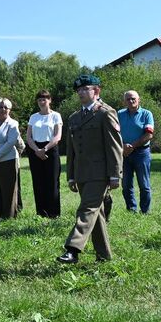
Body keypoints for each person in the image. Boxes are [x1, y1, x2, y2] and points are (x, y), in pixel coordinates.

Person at [57, 74, 123, 264]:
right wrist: (71, 176)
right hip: (82, 173)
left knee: (87, 209)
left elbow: (114, 146)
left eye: (86, 89)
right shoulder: (74, 117)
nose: (81, 93)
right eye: (79, 90)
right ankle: (104, 256)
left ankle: (72, 249)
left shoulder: (106, 113)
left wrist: (115, 174)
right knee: (97, 214)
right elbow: (72, 150)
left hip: (100, 173)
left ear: (97, 91)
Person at [26, 90, 63, 218]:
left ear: (50, 100)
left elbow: (57, 136)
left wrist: (45, 149)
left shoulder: (56, 116)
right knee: (38, 182)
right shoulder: (33, 117)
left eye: (44, 99)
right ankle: (41, 213)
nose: (42, 102)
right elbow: (29, 137)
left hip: (51, 149)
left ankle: (53, 213)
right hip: (35, 150)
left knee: (52, 182)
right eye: (39, 100)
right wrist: (37, 150)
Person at [118, 90, 155, 214]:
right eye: (128, 99)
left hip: (141, 153)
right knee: (126, 185)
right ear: (124, 101)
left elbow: (149, 135)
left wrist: (132, 146)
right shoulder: (119, 114)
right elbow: (114, 133)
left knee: (144, 185)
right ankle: (131, 209)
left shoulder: (146, 114)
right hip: (124, 154)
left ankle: (145, 211)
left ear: (139, 100)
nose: (131, 101)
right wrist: (122, 146)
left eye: (133, 98)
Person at [0, 98, 21, 221]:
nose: (3, 109)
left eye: (6, 107)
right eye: (1, 107)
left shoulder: (13, 123)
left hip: (8, 159)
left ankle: (8, 216)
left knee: (8, 190)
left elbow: (10, 142)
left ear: (10, 109)